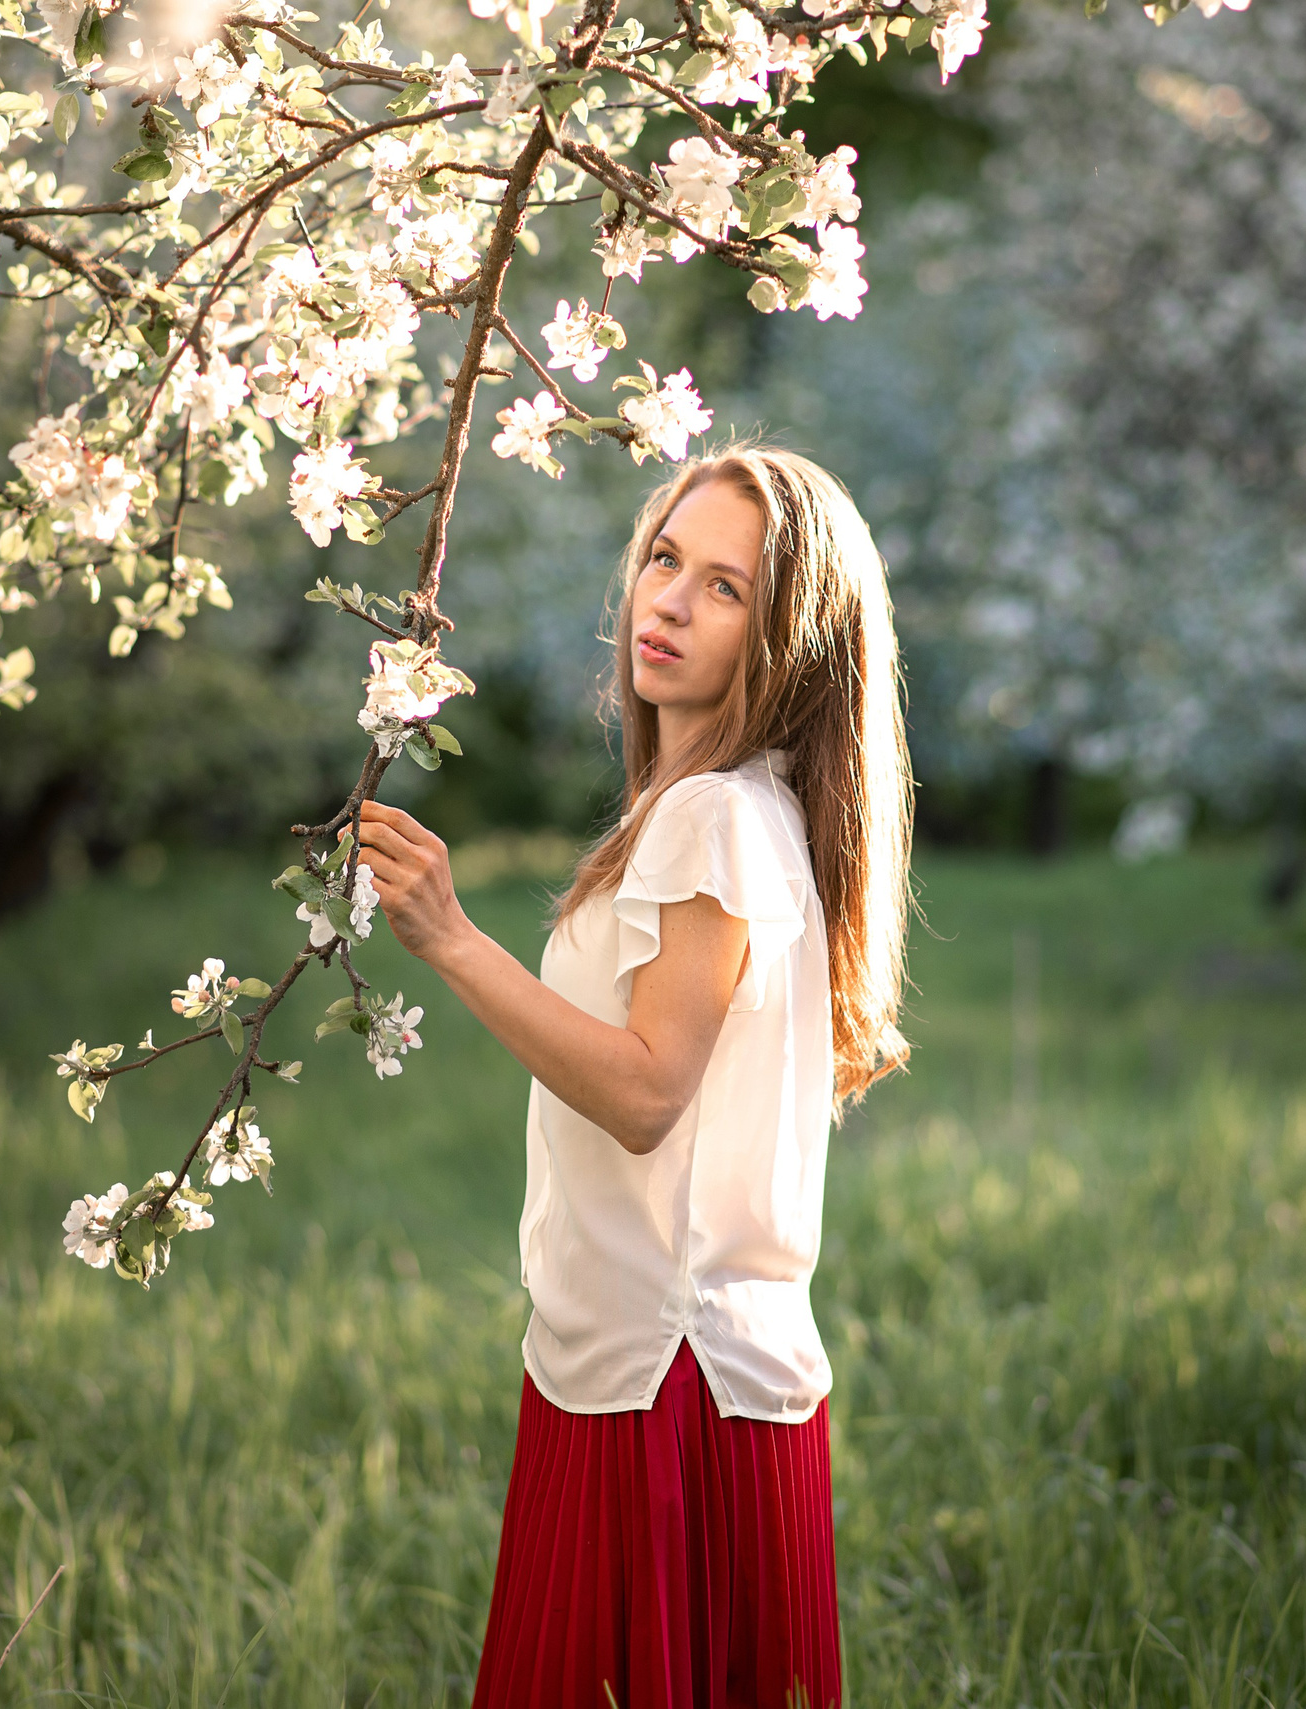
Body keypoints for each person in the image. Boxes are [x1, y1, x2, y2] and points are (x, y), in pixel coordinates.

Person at [357, 445, 913, 1708]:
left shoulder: (712, 816)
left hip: (663, 1384)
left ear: (790, 638)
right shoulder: (730, 808)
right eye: (665, 558)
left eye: (725, 586)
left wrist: (449, 936)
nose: (664, 600)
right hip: (665, 1363)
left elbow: (647, 1089)